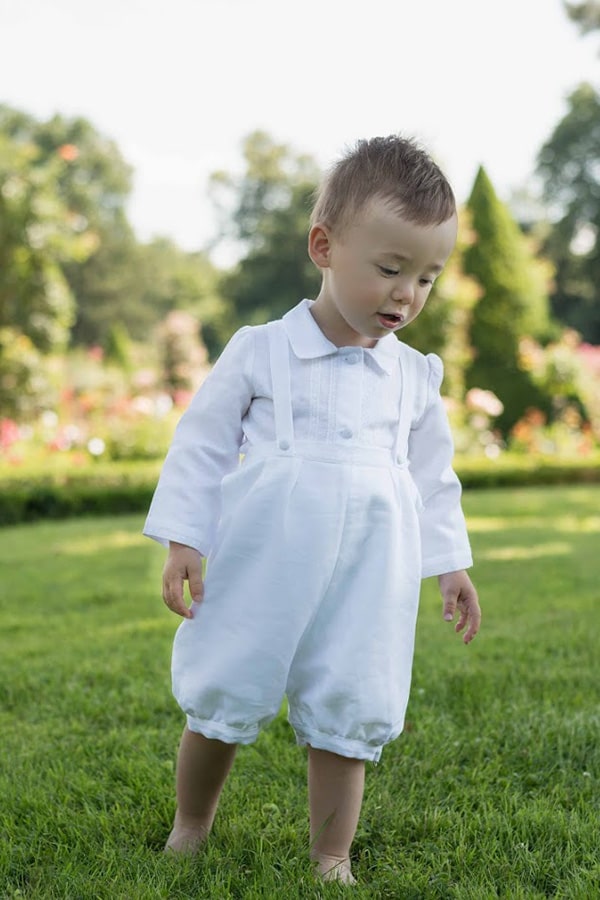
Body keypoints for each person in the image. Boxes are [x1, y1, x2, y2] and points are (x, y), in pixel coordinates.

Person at [143, 134, 481, 885]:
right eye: (390, 269)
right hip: (265, 558)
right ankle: (189, 826)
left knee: (351, 698)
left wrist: (451, 563)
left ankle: (331, 856)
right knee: (225, 687)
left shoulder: (414, 378)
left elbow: (434, 478)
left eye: (427, 278)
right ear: (324, 246)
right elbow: (200, 444)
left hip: (371, 571)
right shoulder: (262, 350)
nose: (406, 295)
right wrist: (183, 539)